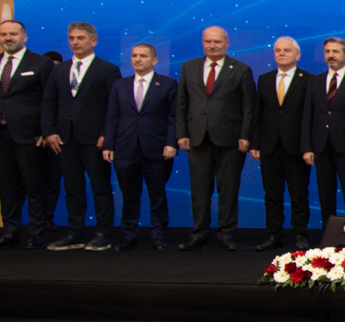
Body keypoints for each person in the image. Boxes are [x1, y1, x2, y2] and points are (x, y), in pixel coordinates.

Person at [41, 21, 121, 251]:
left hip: (94, 139)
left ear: (93, 41)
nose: (75, 42)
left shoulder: (107, 69)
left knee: (100, 187)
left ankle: (103, 233)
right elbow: (49, 102)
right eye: (72, 38)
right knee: (72, 188)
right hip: (65, 139)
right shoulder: (59, 69)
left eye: (80, 38)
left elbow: (114, 106)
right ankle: (74, 232)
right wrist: (49, 131)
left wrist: (106, 134)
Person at [176, 25, 255, 250]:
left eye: (217, 41)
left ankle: (226, 235)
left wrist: (245, 135)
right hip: (197, 138)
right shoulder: (188, 67)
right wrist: (181, 133)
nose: (212, 46)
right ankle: (199, 234)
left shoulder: (241, 69)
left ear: (227, 43)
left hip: (230, 139)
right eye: (207, 41)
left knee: (228, 190)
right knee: (199, 191)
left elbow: (249, 106)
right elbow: (181, 102)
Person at [101, 43, 177, 250]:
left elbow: (173, 117)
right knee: (129, 196)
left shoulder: (168, 84)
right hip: (125, 148)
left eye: (143, 56)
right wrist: (108, 144)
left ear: (154, 60)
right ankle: (129, 235)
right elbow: (112, 116)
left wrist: (171, 142)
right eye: (134, 55)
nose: (137, 59)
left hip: (157, 148)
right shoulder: (120, 85)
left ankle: (158, 235)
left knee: (157, 195)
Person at [303, 36, 345, 237]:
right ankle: (329, 235)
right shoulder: (314, 81)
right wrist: (307, 147)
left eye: (335, 51)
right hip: (321, 146)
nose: (331, 55)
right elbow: (308, 116)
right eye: (327, 52)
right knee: (325, 194)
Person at [250, 36, 312, 251]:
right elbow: (258, 113)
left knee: (299, 194)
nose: (281, 53)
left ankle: (300, 235)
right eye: (278, 50)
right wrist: (255, 143)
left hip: (297, 147)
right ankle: (273, 235)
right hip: (269, 146)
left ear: (297, 55)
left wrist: (308, 146)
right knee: (272, 195)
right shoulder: (265, 79)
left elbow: (310, 116)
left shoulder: (308, 80)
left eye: (286, 50)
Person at [0, 20, 56, 248]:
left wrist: (46, 130)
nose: (8, 38)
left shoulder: (41, 63)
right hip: (2, 135)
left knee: (34, 187)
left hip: (31, 135)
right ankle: (10, 231)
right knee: (7, 186)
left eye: (13, 34)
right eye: (3, 34)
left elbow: (50, 100)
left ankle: (35, 232)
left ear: (24, 37)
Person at [40, 50, 64, 235]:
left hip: (58, 138)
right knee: (23, 183)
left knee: (53, 181)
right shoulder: (33, 85)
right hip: (31, 138)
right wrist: (42, 132)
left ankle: (47, 218)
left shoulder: (63, 83)